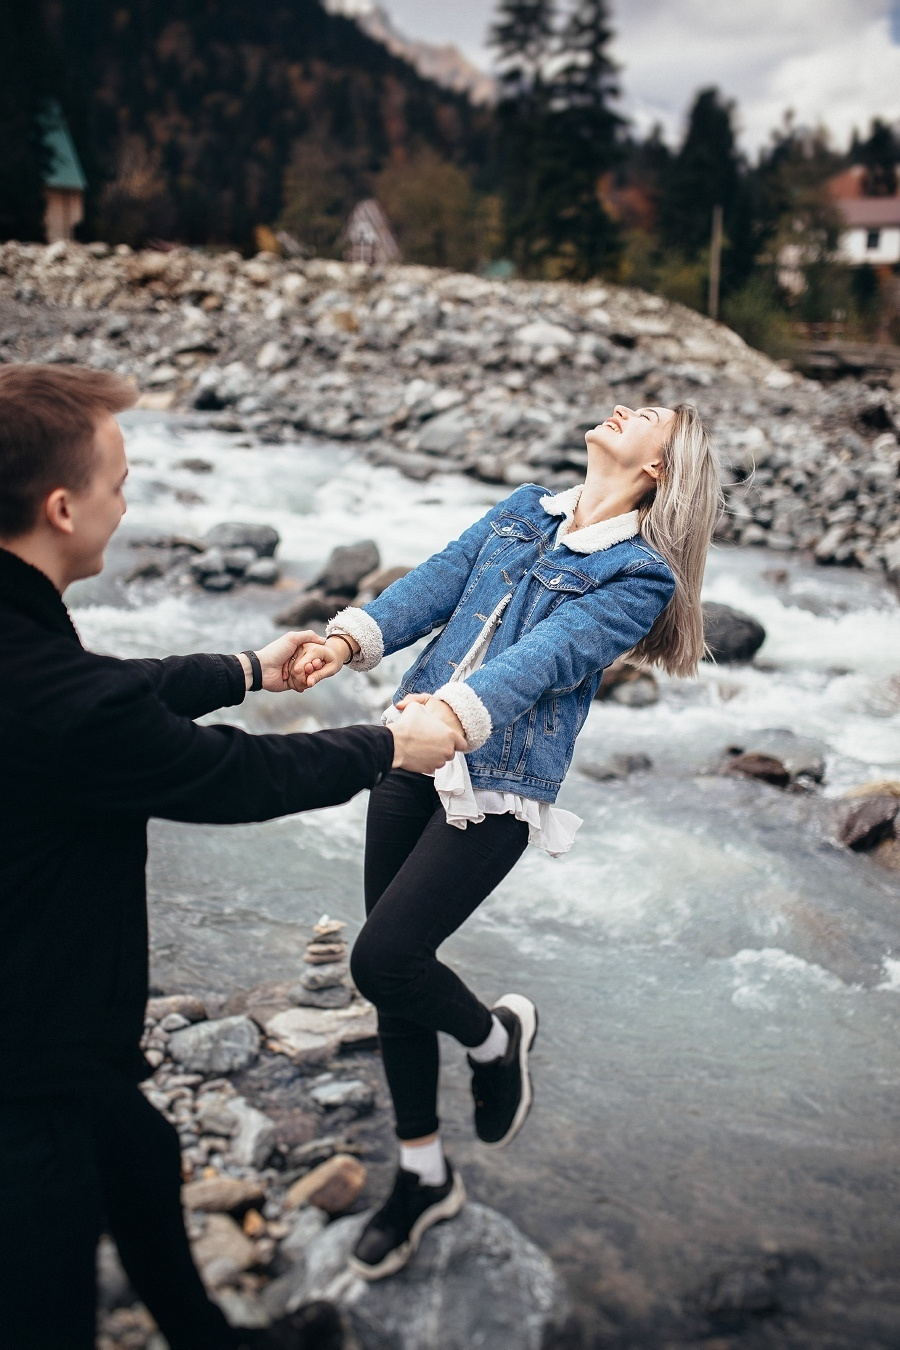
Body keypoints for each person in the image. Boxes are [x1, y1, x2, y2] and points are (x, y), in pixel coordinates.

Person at [0, 364, 463, 1350]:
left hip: (47, 1043)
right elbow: (232, 777)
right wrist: (388, 747)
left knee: (140, 1144)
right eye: (120, 485)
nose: (127, 507)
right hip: (23, 1074)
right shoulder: (64, 702)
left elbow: (106, 690)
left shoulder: (27, 648)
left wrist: (250, 669)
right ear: (60, 506)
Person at [292, 402, 722, 1280]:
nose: (624, 406)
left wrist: (454, 714)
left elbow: (553, 655)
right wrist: (345, 642)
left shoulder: (641, 578)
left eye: (651, 416)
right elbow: (435, 584)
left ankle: (492, 1040)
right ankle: (422, 1175)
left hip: (495, 785)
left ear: (659, 470)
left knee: (383, 961)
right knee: (392, 977)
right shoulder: (524, 507)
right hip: (408, 751)